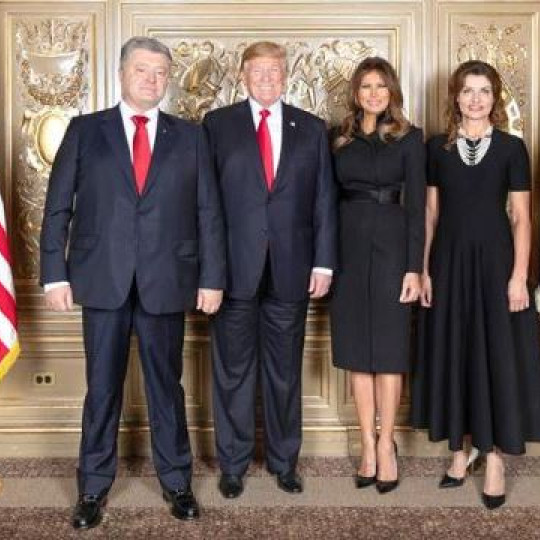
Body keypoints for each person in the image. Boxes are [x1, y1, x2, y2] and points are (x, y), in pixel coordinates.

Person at [40, 36, 225, 528]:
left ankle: (178, 482)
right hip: (101, 279)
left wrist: (212, 278)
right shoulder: (85, 130)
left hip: (168, 279)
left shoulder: (191, 137)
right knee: (102, 388)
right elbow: (57, 208)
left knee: (167, 388)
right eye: (142, 69)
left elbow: (208, 212)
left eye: (160, 72)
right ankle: (92, 489)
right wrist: (54, 274)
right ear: (122, 73)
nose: (151, 79)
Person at [203, 41, 337, 498]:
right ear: (242, 76)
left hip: (292, 269)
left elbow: (323, 200)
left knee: (284, 372)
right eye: (257, 71)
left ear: (286, 76)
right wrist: (210, 274)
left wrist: (323, 263)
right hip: (233, 273)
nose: (266, 78)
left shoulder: (312, 128)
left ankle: (285, 462)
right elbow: (207, 204)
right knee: (233, 373)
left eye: (274, 71)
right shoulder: (217, 125)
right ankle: (233, 464)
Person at [411, 60, 540, 509]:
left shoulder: (512, 148)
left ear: (495, 97)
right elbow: (430, 214)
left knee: (497, 355)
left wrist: (519, 276)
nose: (476, 99)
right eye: (468, 90)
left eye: (484, 90)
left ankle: (496, 458)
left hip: (496, 266)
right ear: (456, 97)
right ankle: (459, 452)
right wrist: (424, 270)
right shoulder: (436, 148)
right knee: (456, 352)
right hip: (448, 264)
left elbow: (522, 218)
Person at [329, 57, 425, 493]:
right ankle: (366, 443)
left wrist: (414, 268)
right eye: (366, 86)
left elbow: (418, 208)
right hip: (347, 251)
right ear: (356, 92)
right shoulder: (338, 139)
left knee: (388, 354)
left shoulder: (410, 138)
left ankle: (387, 444)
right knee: (356, 355)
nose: (373, 93)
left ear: (392, 92)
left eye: (381, 86)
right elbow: (325, 202)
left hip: (393, 251)